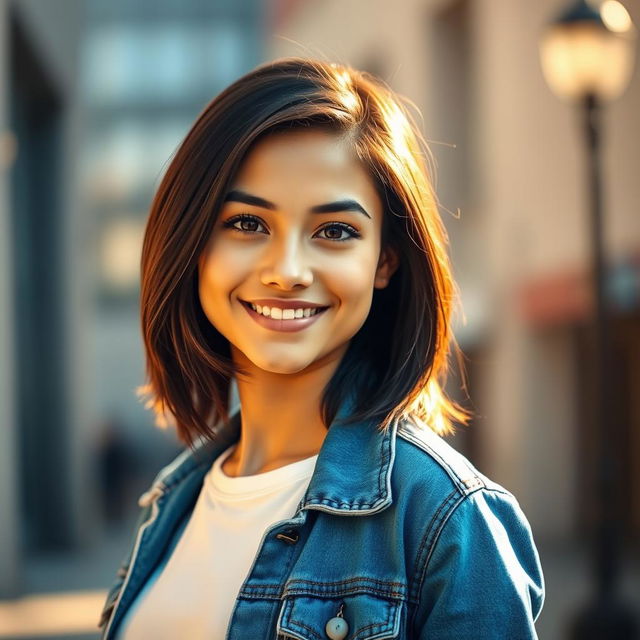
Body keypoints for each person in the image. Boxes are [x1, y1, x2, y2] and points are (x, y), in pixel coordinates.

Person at [98, 57, 544, 640]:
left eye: (335, 232)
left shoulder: (447, 521)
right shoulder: (173, 501)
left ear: (384, 260)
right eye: (247, 223)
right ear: (194, 243)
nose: (286, 271)